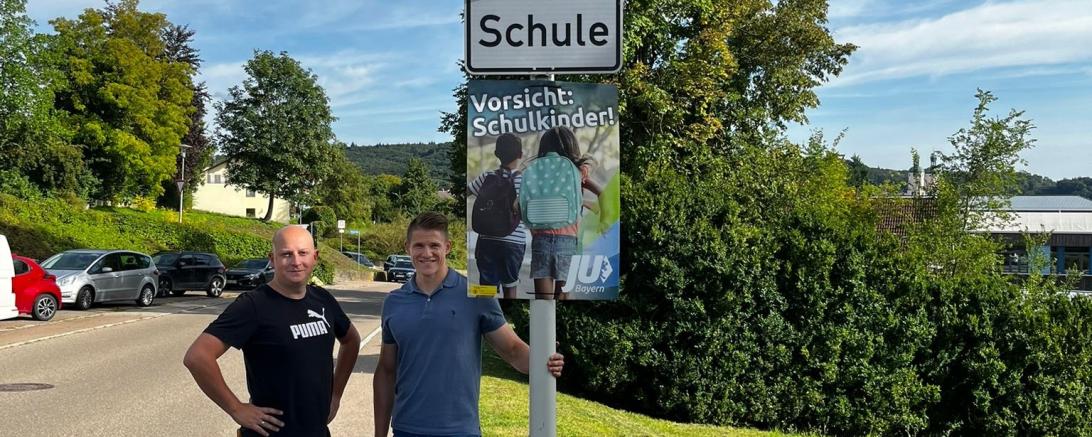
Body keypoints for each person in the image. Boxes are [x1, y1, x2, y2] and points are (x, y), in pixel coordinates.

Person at [374, 212, 564, 437]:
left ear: (447, 247)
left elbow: (512, 350)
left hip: (460, 430)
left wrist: (543, 361)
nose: (426, 253)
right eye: (419, 246)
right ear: (408, 248)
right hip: (407, 429)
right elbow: (386, 371)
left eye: (434, 245)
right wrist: (379, 434)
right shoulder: (394, 303)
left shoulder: (476, 295)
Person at [183, 225, 361, 437]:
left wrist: (336, 395)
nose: (296, 261)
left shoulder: (323, 299)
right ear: (272, 259)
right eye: (286, 254)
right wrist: (236, 408)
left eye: (303, 253)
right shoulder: (254, 305)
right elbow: (197, 356)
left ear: (315, 257)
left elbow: (351, 340)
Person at [527, 126, 603, 300]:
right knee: (563, 296)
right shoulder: (577, 172)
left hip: (541, 239)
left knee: (543, 299)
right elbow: (602, 192)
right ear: (572, 147)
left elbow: (528, 205)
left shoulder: (537, 172)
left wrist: (535, 233)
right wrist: (590, 207)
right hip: (569, 240)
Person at [468, 132, 528, 299]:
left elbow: (466, 192)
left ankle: (484, 315)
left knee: (486, 288)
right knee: (510, 286)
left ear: (496, 154)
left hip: (486, 239)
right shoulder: (524, 180)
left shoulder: (487, 176)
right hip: (513, 241)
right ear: (520, 155)